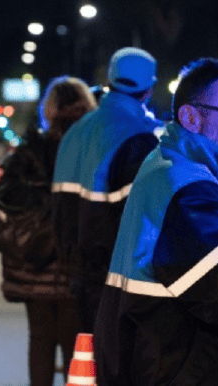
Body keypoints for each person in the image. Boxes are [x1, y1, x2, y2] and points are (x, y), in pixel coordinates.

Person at [94, 58, 218, 386]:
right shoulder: (188, 187)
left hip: (154, 359)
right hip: (175, 365)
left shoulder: (171, 165)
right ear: (190, 117)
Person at [0, 77, 96, 386]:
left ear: (50, 109)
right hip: (75, 266)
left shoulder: (29, 152)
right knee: (75, 344)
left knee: (40, 339)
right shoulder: (92, 151)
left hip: (32, 263)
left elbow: (4, 202)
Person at [52, 47, 163, 332]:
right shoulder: (140, 139)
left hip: (78, 274)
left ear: (110, 80)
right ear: (149, 89)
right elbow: (144, 223)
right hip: (118, 283)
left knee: (86, 363)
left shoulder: (75, 132)